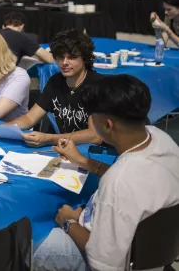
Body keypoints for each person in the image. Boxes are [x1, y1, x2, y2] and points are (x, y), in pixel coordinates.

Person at [32, 75, 179, 271]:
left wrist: (69, 222)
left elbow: (104, 264)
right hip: (155, 249)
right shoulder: (161, 138)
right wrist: (82, 160)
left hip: (119, 260)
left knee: (29, 243)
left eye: (92, 118)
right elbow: (135, 180)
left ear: (108, 125)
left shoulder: (117, 182)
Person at [0, 29, 103, 147]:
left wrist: (48, 139)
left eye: (71, 57)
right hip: (64, 150)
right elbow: (30, 118)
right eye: (60, 57)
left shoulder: (97, 85)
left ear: (84, 58)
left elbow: (95, 136)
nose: (64, 62)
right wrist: (0, 129)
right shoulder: (56, 81)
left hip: (92, 154)